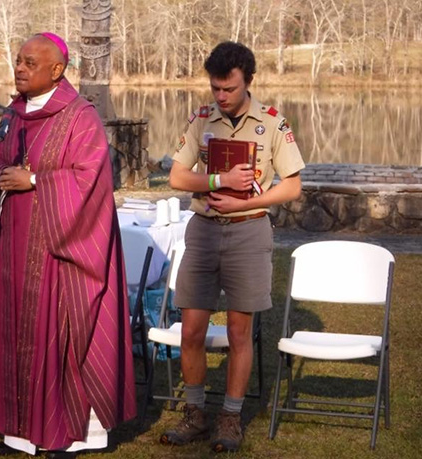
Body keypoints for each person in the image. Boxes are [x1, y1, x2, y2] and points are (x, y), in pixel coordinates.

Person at [0, 33, 137, 458]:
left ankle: (73, 433)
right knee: (17, 339)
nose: (20, 68)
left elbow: (91, 181)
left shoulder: (80, 118)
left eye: (30, 62)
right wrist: (1, 177)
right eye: (17, 60)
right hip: (16, 250)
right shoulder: (13, 115)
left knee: (63, 339)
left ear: (57, 70)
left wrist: (35, 181)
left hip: (62, 255)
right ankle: (20, 435)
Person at [160, 41, 305, 453]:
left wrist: (250, 200)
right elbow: (176, 177)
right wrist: (218, 182)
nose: (221, 97)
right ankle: (194, 414)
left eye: (229, 89)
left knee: (241, 332)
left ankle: (230, 417)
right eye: (215, 88)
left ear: (248, 82)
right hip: (203, 232)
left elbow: (292, 185)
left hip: (248, 232)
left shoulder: (273, 123)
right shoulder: (201, 118)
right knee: (191, 329)